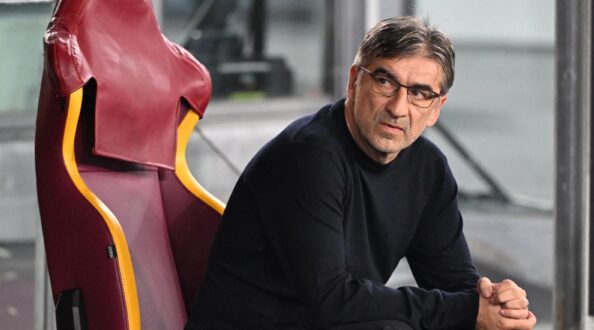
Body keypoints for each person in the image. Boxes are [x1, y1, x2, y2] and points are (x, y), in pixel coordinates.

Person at [185, 16, 537, 329]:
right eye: (385, 82)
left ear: (436, 109)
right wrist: (466, 309)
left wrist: (496, 307)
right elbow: (331, 301)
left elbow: (455, 286)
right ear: (354, 81)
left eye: (419, 93)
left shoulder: (427, 169)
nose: (399, 108)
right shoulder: (307, 157)